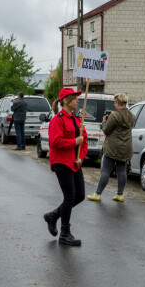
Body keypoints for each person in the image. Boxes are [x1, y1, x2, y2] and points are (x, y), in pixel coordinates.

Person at [43, 88, 88, 246]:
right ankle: (65, 233)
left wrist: (81, 158)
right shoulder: (58, 119)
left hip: (74, 162)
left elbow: (84, 140)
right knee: (69, 197)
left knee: (80, 195)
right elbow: (56, 142)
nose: (77, 101)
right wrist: (75, 142)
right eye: (75, 98)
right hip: (61, 161)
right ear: (66, 101)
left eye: (77, 98)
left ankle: (53, 215)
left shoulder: (77, 119)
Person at [86, 93, 134, 202]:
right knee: (122, 170)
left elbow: (106, 130)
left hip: (113, 147)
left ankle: (97, 194)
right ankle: (120, 195)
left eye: (114, 102)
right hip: (125, 148)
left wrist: (104, 121)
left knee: (106, 171)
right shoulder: (132, 115)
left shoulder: (114, 115)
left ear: (117, 103)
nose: (114, 104)